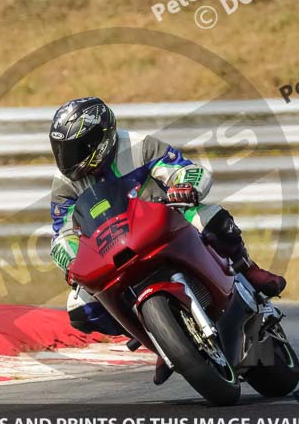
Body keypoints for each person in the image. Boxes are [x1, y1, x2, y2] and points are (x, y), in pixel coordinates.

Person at [48, 97, 286, 385]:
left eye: (77, 149)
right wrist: (72, 261)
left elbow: (185, 169)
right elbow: (62, 233)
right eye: (62, 150)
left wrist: (185, 186)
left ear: (101, 138)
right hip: (112, 250)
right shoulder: (64, 182)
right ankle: (159, 337)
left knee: (211, 218)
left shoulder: (138, 146)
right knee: (81, 308)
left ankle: (247, 269)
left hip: (164, 223)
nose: (67, 158)